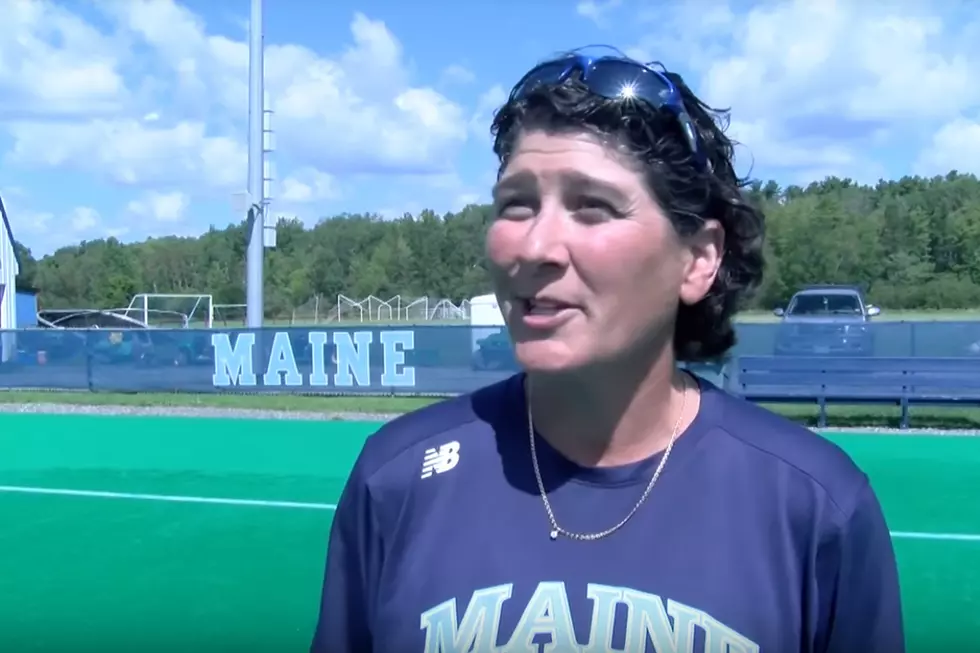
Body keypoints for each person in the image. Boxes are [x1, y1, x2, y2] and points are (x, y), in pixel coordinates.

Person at [311, 48, 904, 653]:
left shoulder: (815, 506)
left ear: (699, 259)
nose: (536, 245)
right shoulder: (397, 479)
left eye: (592, 207)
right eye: (516, 204)